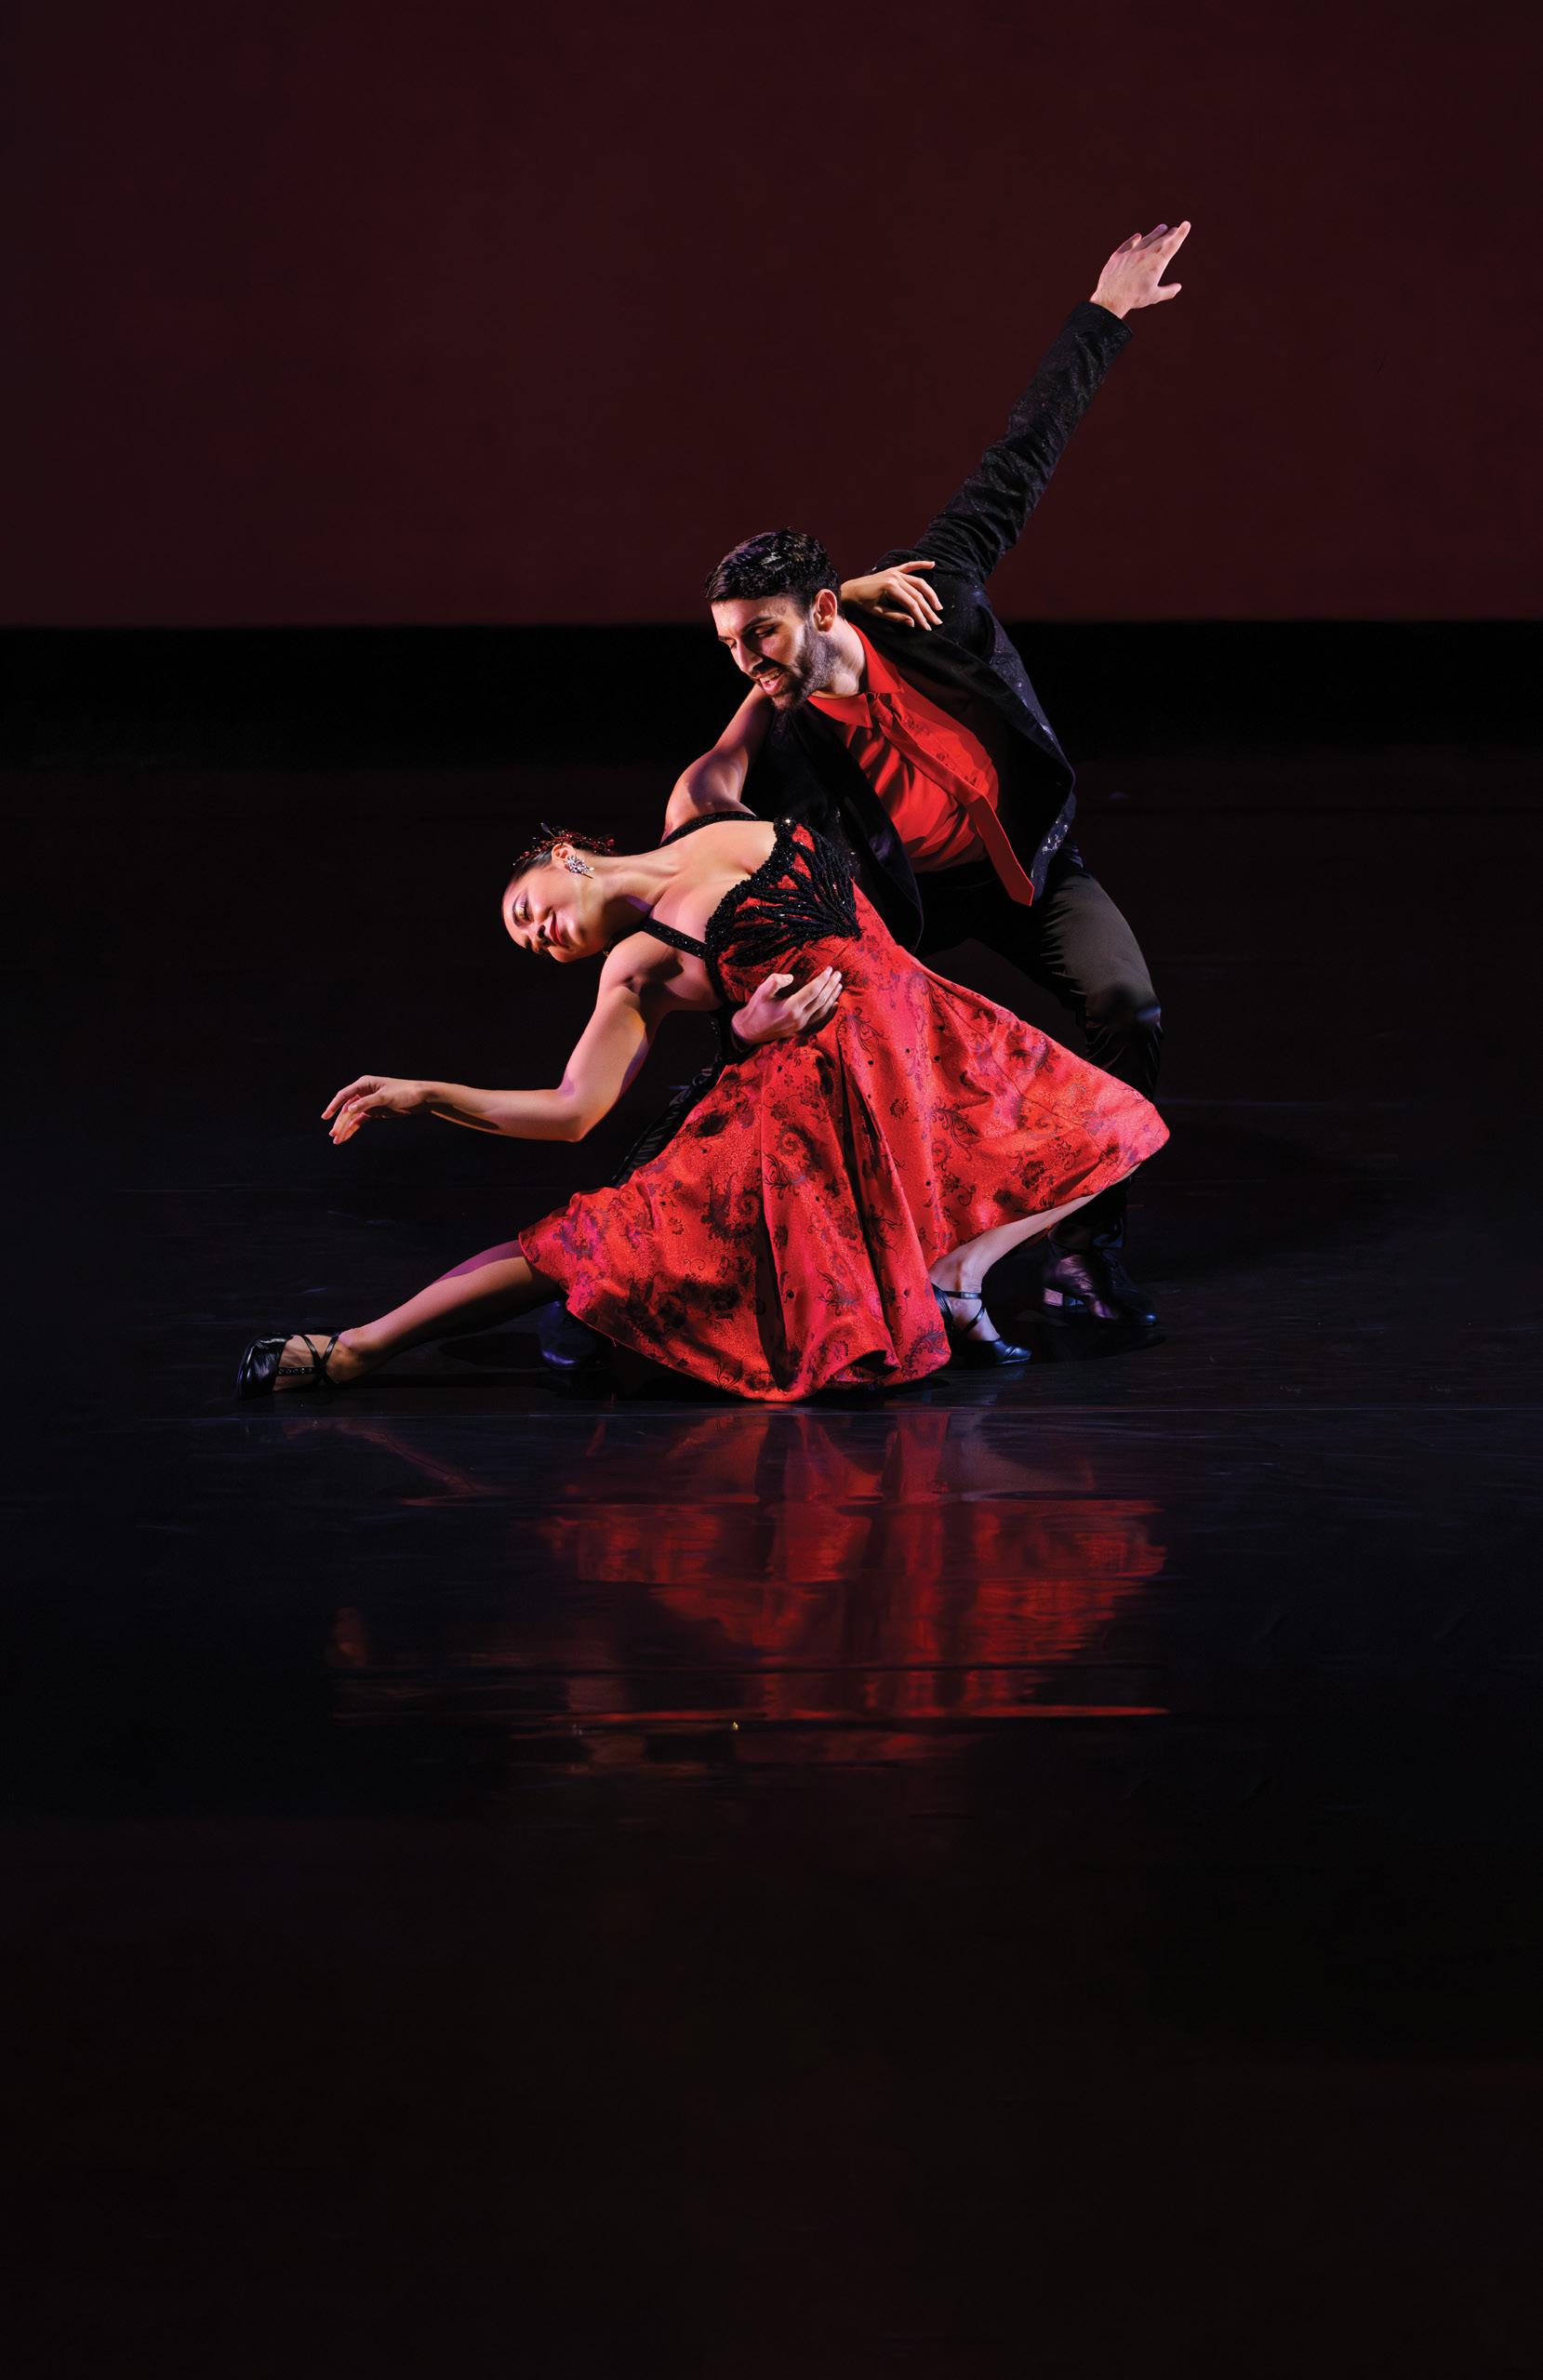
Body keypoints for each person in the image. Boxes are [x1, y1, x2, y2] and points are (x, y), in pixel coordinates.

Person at [660, 220, 1190, 1333]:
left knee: (1125, 1004)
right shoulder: (781, 732)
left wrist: (1104, 313)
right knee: (810, 1050)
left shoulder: (932, 594)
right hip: (897, 910)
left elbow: (1020, 458)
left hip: (1030, 868)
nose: (746, 661)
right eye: (728, 645)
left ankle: (1083, 1253)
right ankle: (729, 1254)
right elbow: (698, 811)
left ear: (822, 609)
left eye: (762, 633)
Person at [236, 802, 1167, 1406]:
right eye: (531, 946)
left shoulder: (705, 810)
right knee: (585, 1242)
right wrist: (427, 1094)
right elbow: (572, 1110)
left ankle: (959, 1274)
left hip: (926, 1040)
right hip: (800, 1116)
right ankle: (357, 1348)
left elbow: (776, 668)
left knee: (1105, 1127)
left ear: (565, 855)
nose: (539, 935)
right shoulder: (635, 969)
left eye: (527, 910)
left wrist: (853, 601)